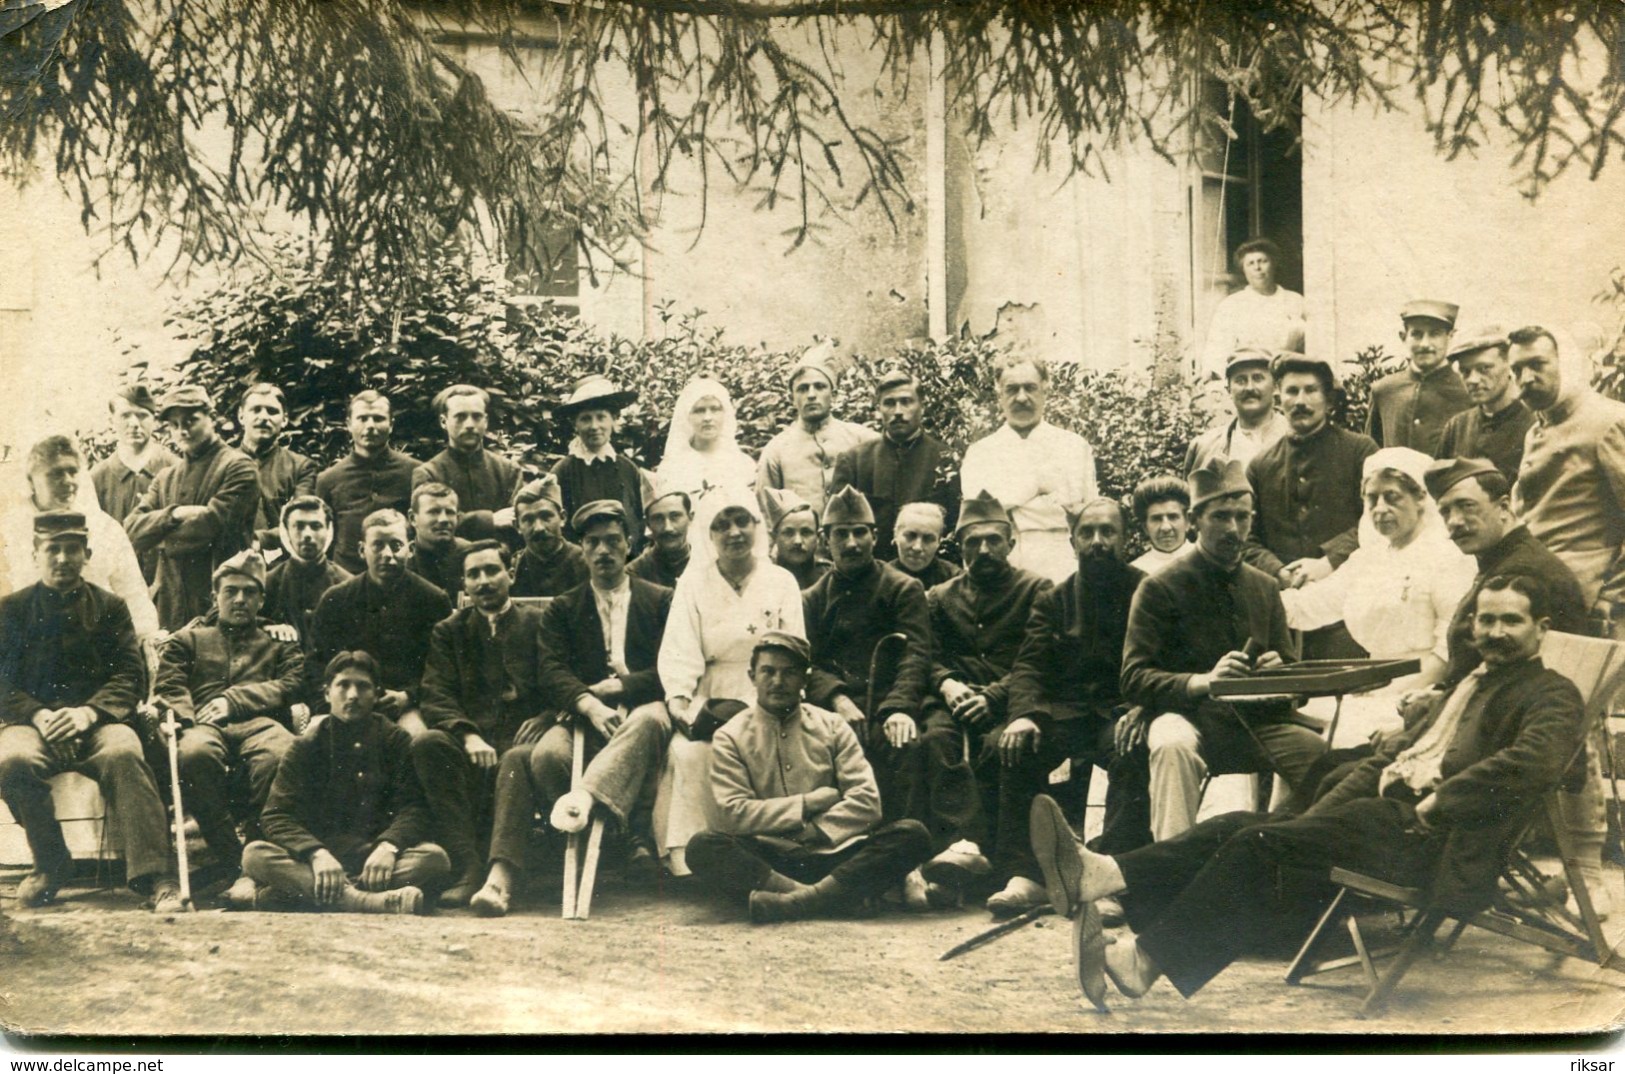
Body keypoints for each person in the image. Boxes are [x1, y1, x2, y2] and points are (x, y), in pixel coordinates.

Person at [1031, 575, 1583, 1006]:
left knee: (1259, 845)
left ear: (1542, 627)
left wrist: (1442, 799)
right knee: (1241, 824)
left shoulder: (1551, 695)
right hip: (1389, 816)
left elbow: (1533, 762)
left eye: (1511, 620)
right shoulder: (1473, 682)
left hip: (1437, 840)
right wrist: (1318, 817)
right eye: (1486, 620)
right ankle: (1106, 873)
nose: (1495, 632)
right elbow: (1392, 756)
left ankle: (1142, 963)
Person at [470, 501, 674, 917]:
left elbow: (674, 665)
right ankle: (617, 833)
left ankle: (583, 799)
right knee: (545, 756)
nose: (603, 552)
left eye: (613, 541)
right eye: (593, 543)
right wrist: (591, 705)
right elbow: (551, 669)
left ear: (630, 544)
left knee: (652, 719)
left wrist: (624, 686)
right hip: (583, 714)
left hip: (640, 711)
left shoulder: (660, 600)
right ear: (581, 548)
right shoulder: (565, 607)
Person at [1120, 458, 1327, 843]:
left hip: (1255, 722)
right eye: (1220, 517)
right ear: (1195, 520)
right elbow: (1133, 677)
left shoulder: (1264, 587)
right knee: (1170, 744)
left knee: (1324, 760)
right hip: (1187, 717)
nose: (1233, 528)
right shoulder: (1160, 587)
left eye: (1243, 517)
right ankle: (1170, 867)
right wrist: (1203, 682)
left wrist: (1278, 668)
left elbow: (1293, 673)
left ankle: (1281, 859)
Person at [0, 511, 181, 913]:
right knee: (12, 760)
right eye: (53, 549)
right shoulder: (10, 610)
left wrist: (88, 714)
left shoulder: (111, 607)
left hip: (100, 721)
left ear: (87, 554)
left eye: (72, 549)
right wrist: (38, 716)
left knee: (124, 754)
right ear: (36, 554)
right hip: (35, 724)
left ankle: (155, 876)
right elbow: (2, 681)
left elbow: (128, 674)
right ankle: (50, 864)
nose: (63, 558)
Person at [685, 632, 933, 923]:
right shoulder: (730, 736)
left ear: (805, 679)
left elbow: (867, 803)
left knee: (913, 834)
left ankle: (793, 903)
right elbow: (733, 813)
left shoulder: (833, 726)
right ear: (752, 676)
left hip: (837, 853)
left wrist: (813, 831)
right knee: (703, 846)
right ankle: (829, 898)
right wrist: (807, 803)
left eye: (790, 673)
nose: (778, 681)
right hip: (770, 859)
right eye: (768, 671)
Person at [990, 498, 1146, 915]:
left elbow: (1165, 658)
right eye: (1088, 533)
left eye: (1108, 532)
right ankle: (1027, 874)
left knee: (1133, 749)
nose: (1098, 542)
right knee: (1010, 747)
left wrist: (1143, 708)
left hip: (1122, 711)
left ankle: (1110, 877)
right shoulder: (1053, 599)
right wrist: (1024, 715)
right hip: (1068, 713)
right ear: (1073, 541)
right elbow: (1029, 664)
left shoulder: (1148, 590)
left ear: (1125, 539)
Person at [1279, 448, 1478, 745]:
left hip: (1421, 695)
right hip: (1371, 687)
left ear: (1421, 498)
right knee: (1298, 736)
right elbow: (1312, 606)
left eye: (1392, 497)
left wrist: (1386, 693)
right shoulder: (1368, 558)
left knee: (1339, 734)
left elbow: (1449, 653)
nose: (1380, 508)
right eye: (1372, 499)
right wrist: (1250, 595)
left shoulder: (1448, 558)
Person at [654, 490, 805, 876]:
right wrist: (681, 703)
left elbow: (795, 649)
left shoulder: (781, 580)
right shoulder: (693, 584)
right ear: (708, 533)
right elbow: (679, 649)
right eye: (721, 525)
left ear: (757, 525)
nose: (733, 532)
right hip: (712, 694)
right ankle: (691, 858)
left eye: (742, 521)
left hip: (771, 692)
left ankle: (766, 851)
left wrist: (778, 698)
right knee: (689, 754)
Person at [917, 491, 1053, 910]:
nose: (984, 550)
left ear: (1011, 542)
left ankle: (1018, 871)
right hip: (954, 700)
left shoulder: (1037, 590)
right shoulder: (939, 597)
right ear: (959, 547)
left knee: (1003, 746)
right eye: (972, 542)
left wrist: (994, 696)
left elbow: (1040, 656)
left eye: (994, 540)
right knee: (935, 740)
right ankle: (954, 861)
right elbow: (927, 655)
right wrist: (947, 684)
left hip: (1012, 700)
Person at [240, 650, 450, 914]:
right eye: (343, 685)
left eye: (363, 687)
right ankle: (365, 901)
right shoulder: (306, 746)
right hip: (319, 860)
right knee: (255, 855)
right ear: (327, 693)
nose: (352, 695)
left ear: (376, 694)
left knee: (434, 859)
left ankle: (305, 894)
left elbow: (414, 807)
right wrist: (316, 853)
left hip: (373, 860)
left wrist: (389, 847)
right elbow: (276, 814)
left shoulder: (395, 741)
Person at [154, 550, 301, 903]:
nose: (239, 599)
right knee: (192, 754)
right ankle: (235, 862)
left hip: (261, 723)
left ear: (261, 598)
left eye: (249, 592)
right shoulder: (187, 640)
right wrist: (186, 720)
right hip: (202, 723)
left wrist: (234, 701)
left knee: (281, 755)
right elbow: (169, 686)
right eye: (230, 591)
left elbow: (293, 682)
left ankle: (256, 853)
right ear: (214, 596)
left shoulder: (277, 643)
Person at [415, 540, 550, 905]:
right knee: (427, 744)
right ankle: (468, 865)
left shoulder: (539, 624)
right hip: (473, 741)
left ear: (511, 573)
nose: (483, 581)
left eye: (492, 570)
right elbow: (435, 692)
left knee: (515, 760)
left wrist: (546, 716)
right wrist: (467, 733)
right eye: (473, 574)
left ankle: (500, 875)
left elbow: (561, 678)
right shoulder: (450, 630)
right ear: (463, 583)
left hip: (525, 739)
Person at [802, 489, 934, 855]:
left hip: (889, 703)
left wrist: (899, 708)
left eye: (860, 532)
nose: (851, 542)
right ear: (825, 542)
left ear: (875, 537)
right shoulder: (812, 598)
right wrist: (836, 699)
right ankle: (836, 854)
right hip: (836, 711)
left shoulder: (903, 588)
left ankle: (906, 859)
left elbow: (916, 653)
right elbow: (806, 663)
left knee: (905, 744)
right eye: (840, 534)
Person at [1243, 352, 1378, 659]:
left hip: (1347, 610)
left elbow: (1376, 522)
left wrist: (1329, 561)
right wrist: (1279, 572)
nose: (1300, 401)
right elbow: (1247, 539)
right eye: (1291, 391)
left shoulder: (1360, 451)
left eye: (1311, 390)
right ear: (1279, 400)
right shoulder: (1261, 465)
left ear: (1329, 401)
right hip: (1284, 614)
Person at [1508, 324, 1625, 636]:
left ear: (1566, 362)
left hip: (1592, 608)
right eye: (1517, 369)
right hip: (1541, 598)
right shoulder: (1536, 430)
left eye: (1537, 364)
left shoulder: (1608, 420)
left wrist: (1614, 597)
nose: (1526, 378)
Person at [125, 385, 260, 632]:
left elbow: (211, 526)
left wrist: (158, 538)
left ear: (212, 417)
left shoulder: (239, 467)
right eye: (174, 425)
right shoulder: (166, 477)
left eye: (190, 420)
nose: (182, 430)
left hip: (218, 604)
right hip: (169, 606)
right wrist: (175, 513)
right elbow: (131, 530)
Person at [307, 510, 453, 734]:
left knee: (418, 740)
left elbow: (443, 668)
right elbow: (316, 663)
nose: (387, 554)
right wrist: (335, 699)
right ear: (361, 550)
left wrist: (410, 696)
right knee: (314, 738)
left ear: (410, 549)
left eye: (396, 545)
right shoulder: (336, 599)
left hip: (405, 706)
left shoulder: (433, 600)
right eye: (377, 545)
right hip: (346, 701)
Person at [4, 436, 159, 640]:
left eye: (72, 472)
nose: (68, 481)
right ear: (31, 480)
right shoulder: (8, 531)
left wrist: (145, 637)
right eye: (56, 473)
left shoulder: (104, 528)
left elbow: (134, 596)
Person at [960, 356, 1098, 582]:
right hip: (1004, 564)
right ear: (999, 393)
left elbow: (1086, 514)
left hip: (1064, 562)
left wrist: (1010, 502)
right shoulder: (980, 453)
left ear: (1045, 389)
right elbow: (981, 517)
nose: (1021, 397)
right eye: (1012, 389)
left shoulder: (1074, 447)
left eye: (1030, 388)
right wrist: (1037, 487)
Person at [829, 369, 955, 558]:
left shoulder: (945, 458)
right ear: (878, 408)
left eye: (906, 402)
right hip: (872, 577)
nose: (897, 411)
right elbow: (837, 529)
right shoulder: (854, 460)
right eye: (889, 403)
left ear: (922, 405)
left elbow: (954, 525)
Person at [756, 344, 878, 516]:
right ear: (792, 398)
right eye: (803, 389)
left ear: (834, 395)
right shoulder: (776, 450)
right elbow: (766, 514)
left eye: (820, 386)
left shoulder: (862, 439)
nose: (811, 395)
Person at [656, 376, 758, 573]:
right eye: (699, 410)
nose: (708, 417)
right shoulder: (672, 466)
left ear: (725, 413)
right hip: (689, 561)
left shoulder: (743, 464)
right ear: (687, 415)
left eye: (715, 409)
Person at [315, 390, 418, 575]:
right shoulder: (328, 479)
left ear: (391, 424)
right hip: (347, 578)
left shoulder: (414, 472)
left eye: (378, 418)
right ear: (348, 424)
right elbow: (324, 539)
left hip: (401, 577)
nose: (370, 426)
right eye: (362, 418)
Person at [89, 384, 177, 581]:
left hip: (169, 588)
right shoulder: (97, 478)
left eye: (142, 415)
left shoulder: (175, 469)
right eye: (125, 416)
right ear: (112, 421)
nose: (134, 423)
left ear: (154, 421)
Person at [413, 384, 523, 542]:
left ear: (485, 421)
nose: (470, 424)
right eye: (460, 417)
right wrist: (489, 521)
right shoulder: (429, 473)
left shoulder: (508, 470)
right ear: (444, 422)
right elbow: (429, 525)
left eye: (477, 416)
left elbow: (517, 521)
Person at [549, 374, 646, 546]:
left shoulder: (628, 469)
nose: (594, 427)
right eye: (585, 419)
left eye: (601, 417)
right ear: (575, 424)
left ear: (614, 420)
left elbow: (639, 521)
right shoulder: (562, 472)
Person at [1365, 300, 1470, 455]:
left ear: (1450, 336)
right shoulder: (1384, 391)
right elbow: (1372, 457)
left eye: (1435, 334)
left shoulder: (1467, 391)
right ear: (1403, 337)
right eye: (1417, 334)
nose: (1425, 344)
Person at [1197, 238, 1307, 382]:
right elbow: (1217, 346)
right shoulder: (1231, 305)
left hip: (1290, 377)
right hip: (1250, 378)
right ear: (1243, 269)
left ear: (1273, 264)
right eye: (1250, 263)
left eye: (1263, 261)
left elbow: (1312, 343)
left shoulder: (1295, 301)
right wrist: (1210, 372)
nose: (1257, 268)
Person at [1437, 326, 1535, 481]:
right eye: (1465, 371)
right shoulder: (1456, 427)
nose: (1473, 380)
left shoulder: (1534, 425)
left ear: (1509, 365)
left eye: (1484, 368)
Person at [262, 495, 351, 657]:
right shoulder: (268, 582)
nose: (307, 534)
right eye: (299, 526)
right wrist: (265, 627)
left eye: (316, 526)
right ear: (286, 531)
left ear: (328, 529)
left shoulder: (348, 585)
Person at [1182, 347, 1289, 477]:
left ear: (1276, 386)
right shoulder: (1203, 448)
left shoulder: (1299, 440)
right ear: (1228, 390)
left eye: (1258, 378)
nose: (1249, 387)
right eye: (1240, 380)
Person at [236, 383, 317, 551]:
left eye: (272, 411)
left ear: (285, 419)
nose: (264, 417)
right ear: (241, 416)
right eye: (256, 410)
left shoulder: (301, 467)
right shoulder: (222, 464)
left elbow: (300, 521)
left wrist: (261, 540)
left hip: (281, 566)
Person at [509, 476, 590, 598]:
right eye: (528, 520)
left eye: (546, 516)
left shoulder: (586, 563)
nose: (539, 528)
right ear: (517, 526)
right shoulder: (513, 568)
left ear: (562, 518)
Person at [405, 482, 471, 598]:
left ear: (458, 517)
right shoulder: (402, 561)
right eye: (434, 512)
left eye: (450, 512)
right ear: (412, 518)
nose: (443, 519)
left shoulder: (471, 555)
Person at [763, 488, 830, 590]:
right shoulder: (763, 578)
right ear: (774, 537)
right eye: (788, 533)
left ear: (819, 537)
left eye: (806, 533)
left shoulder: (828, 577)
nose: (797, 541)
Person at [628, 484, 693, 588]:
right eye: (658, 518)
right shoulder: (633, 574)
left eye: (675, 516)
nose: (668, 528)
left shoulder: (710, 564)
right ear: (648, 524)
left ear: (690, 517)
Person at [1128, 475, 1193, 576]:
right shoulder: (1136, 572)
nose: (1165, 527)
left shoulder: (1209, 561)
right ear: (1145, 527)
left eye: (1173, 517)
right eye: (1156, 519)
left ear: (1188, 521)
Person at [888, 502, 961, 589]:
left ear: (939, 541)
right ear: (896, 535)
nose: (917, 547)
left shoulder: (957, 580)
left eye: (928, 539)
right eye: (910, 536)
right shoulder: (880, 580)